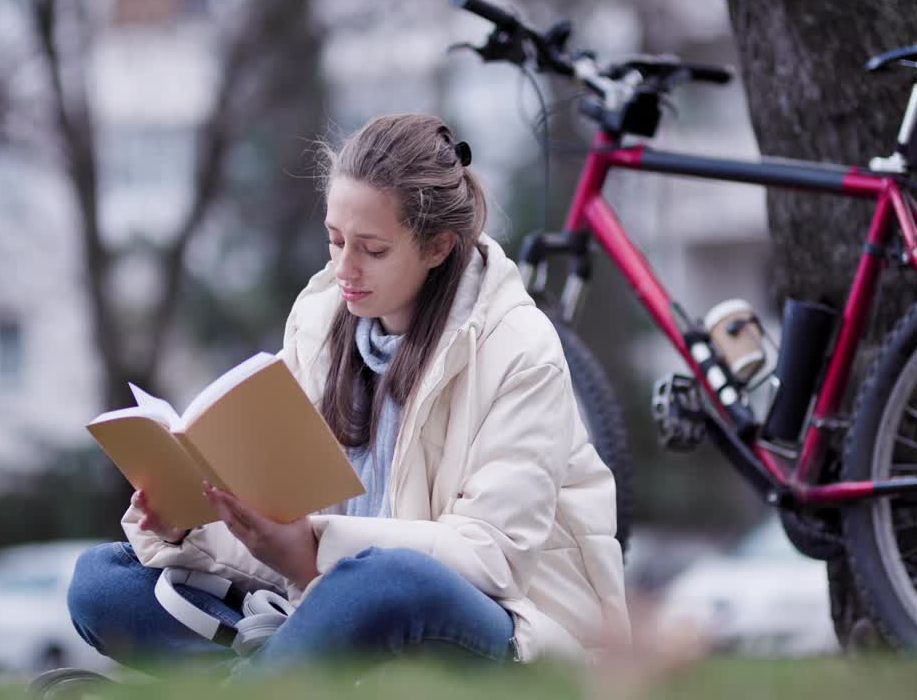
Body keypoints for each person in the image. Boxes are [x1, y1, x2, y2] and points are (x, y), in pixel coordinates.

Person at [66, 113, 630, 674]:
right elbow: (285, 522)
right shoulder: (318, 324)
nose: (345, 269)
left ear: (437, 247)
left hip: (495, 626)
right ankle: (279, 677)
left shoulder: (520, 348)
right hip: (328, 605)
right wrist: (192, 522)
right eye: (335, 241)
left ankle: (261, 681)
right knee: (103, 583)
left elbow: (492, 558)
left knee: (384, 579)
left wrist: (315, 547)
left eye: (373, 250)